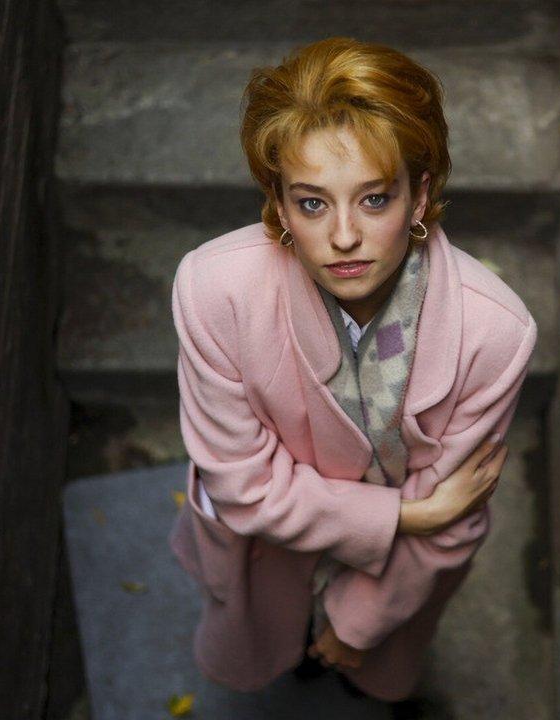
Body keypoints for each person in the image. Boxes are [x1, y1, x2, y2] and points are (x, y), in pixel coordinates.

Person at [167, 36, 537, 703]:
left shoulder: (493, 333)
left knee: (363, 668)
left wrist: (360, 622)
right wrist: (406, 515)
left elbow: (458, 512)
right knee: (264, 640)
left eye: (374, 199)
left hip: (394, 579)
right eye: (312, 203)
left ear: (419, 197)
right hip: (265, 555)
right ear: (279, 204)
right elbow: (243, 487)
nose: (343, 237)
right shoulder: (216, 290)